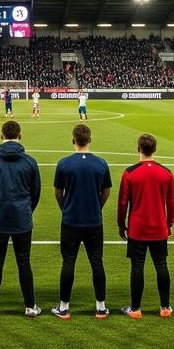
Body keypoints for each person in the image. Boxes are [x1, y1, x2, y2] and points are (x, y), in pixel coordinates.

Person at [0, 120, 42, 318]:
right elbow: (36, 192)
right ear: (20, 136)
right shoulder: (30, 162)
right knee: (24, 262)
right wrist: (26, 210)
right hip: (22, 218)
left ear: (1, 136)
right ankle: (30, 307)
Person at [51, 124, 112, 320]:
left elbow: (58, 193)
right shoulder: (101, 164)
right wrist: (97, 207)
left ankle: (64, 307)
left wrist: (66, 209)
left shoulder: (63, 164)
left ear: (73, 140)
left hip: (71, 221)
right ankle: (101, 308)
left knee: (68, 261)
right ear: (90, 140)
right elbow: (106, 191)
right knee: (97, 262)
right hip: (94, 221)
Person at [117, 133, 174, 319]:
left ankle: (135, 310)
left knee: (137, 266)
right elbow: (171, 201)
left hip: (137, 229)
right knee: (161, 265)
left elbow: (122, 202)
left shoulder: (130, 173)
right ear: (155, 150)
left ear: (138, 149)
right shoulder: (166, 173)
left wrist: (121, 224)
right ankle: (165, 308)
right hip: (159, 228)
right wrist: (170, 224)